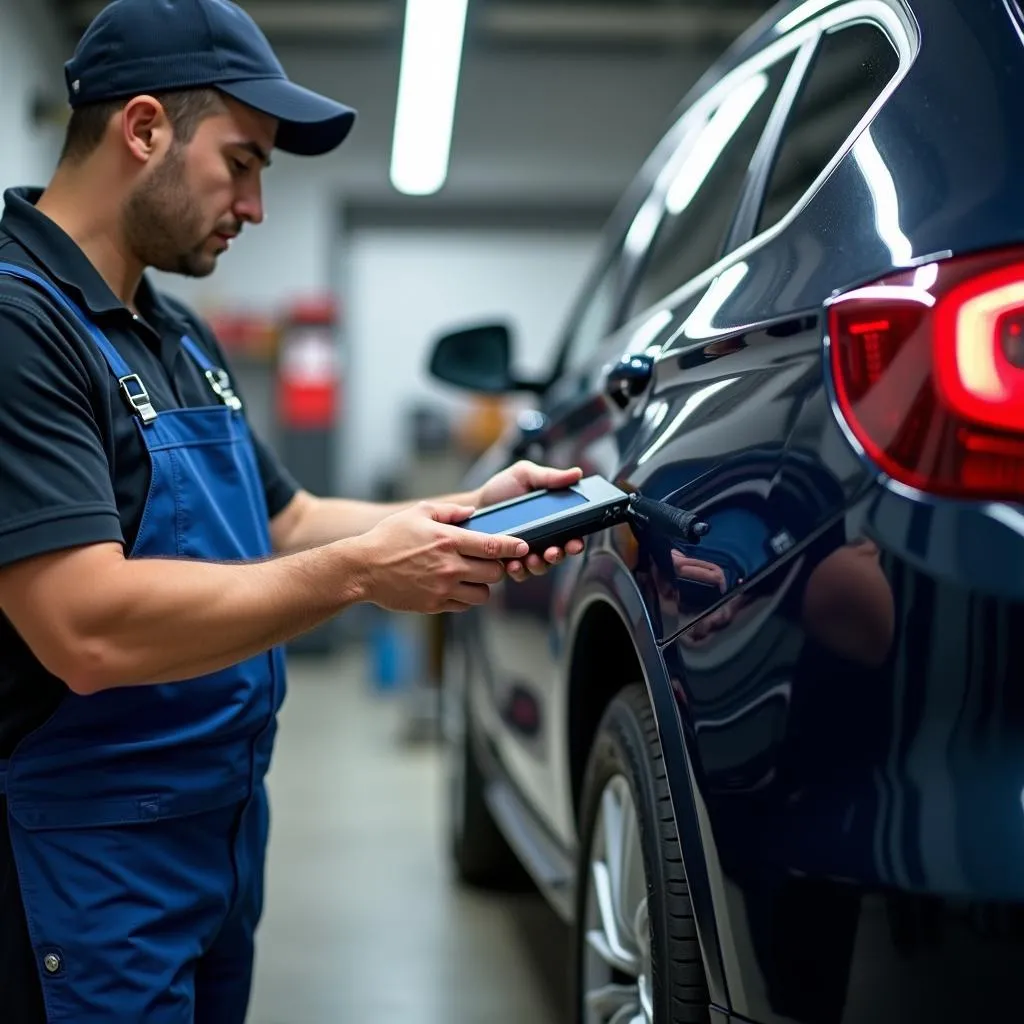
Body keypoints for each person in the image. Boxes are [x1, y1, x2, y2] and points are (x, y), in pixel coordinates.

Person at [0, 1, 585, 1020]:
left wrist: (460, 509)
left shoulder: (176, 333)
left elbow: (287, 518)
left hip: (214, 832)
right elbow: (82, 626)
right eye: (242, 162)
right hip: (83, 855)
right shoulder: (19, 329)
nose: (257, 206)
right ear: (142, 131)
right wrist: (363, 576)